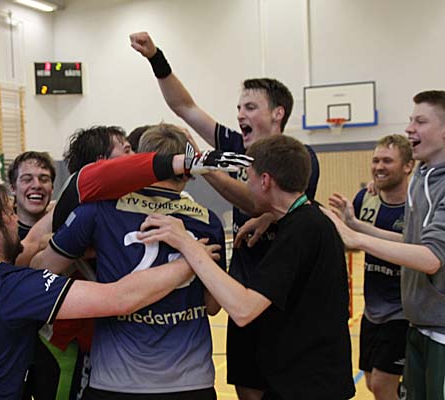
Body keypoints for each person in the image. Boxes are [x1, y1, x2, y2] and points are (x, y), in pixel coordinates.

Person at [130, 31, 320, 400]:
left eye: (250, 107)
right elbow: (184, 106)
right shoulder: (235, 146)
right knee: (246, 387)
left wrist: (203, 165)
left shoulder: (297, 158)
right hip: (242, 287)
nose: (240, 114)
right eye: (239, 107)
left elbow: (257, 204)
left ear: (277, 113)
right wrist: (156, 58)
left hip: (283, 298)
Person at [0, 179, 208, 399]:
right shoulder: (10, 288)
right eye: (10, 214)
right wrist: (191, 260)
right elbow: (120, 298)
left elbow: (32, 243)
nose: (16, 220)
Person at [139, 135, 355, 400]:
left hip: (309, 387)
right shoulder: (305, 221)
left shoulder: (302, 231)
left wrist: (187, 244)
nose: (245, 186)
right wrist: (270, 217)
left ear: (265, 181)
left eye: (247, 178)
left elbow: (243, 309)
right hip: (304, 379)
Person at [33, 124, 228, 399]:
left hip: (116, 380)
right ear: (187, 172)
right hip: (191, 380)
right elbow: (212, 305)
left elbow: (42, 269)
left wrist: (70, 248)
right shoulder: (208, 220)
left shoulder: (98, 210)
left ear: (141, 163)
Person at [325, 91, 445, 400]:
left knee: (382, 385)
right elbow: (411, 243)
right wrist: (357, 226)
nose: (409, 128)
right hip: (418, 323)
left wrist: (357, 238)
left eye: (420, 121)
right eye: (410, 120)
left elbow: (432, 257)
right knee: (378, 385)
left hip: (435, 328)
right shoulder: (422, 178)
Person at [329, 135, 414, 400]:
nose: (378, 166)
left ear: (408, 166)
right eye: (376, 160)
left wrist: (356, 229)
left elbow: (414, 246)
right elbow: (355, 245)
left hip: (404, 311)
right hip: (373, 311)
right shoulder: (366, 199)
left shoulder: (416, 206)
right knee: (370, 382)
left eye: (387, 161)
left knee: (381, 385)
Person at [8, 151, 57, 240]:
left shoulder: (63, 229)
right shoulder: (2, 233)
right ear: (13, 188)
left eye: (44, 179)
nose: (37, 185)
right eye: (27, 179)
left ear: (52, 188)